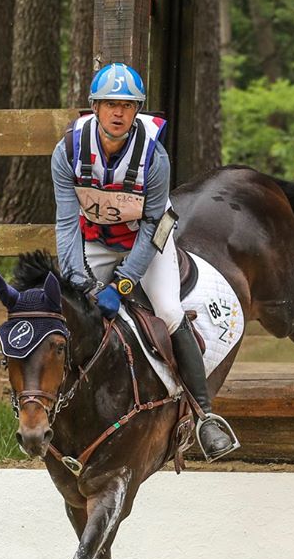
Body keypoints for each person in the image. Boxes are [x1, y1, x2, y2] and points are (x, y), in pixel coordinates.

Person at [51, 61, 236, 461]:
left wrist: (122, 285)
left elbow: (154, 227)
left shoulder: (155, 157)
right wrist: (76, 280)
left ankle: (205, 415)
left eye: (127, 105)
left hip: (147, 243)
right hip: (95, 240)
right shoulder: (67, 150)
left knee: (168, 311)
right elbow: (67, 224)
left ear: (137, 111)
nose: (118, 113)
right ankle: (47, 407)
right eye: (110, 104)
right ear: (95, 107)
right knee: (67, 311)